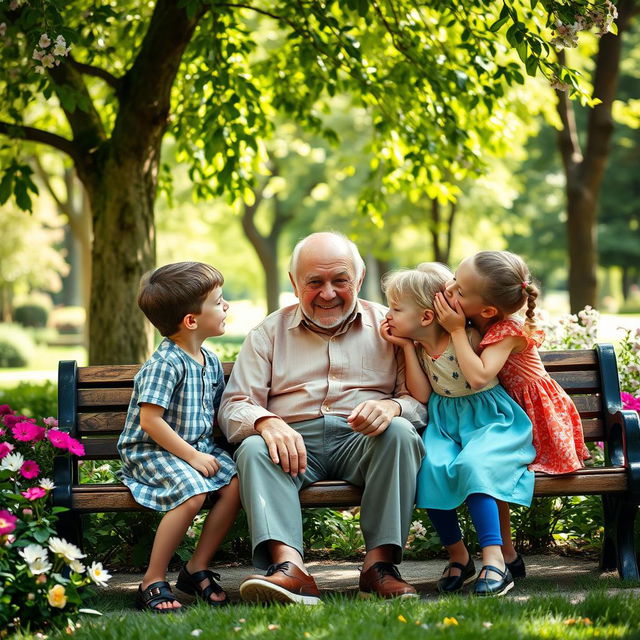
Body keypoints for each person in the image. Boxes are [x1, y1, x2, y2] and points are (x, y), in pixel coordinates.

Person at [218, 232, 426, 604]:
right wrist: (266, 422)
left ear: (358, 281)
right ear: (295, 283)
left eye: (339, 281)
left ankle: (379, 569)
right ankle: (290, 570)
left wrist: (393, 407)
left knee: (400, 432)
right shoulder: (268, 333)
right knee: (253, 448)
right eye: (315, 282)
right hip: (293, 446)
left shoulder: (391, 327)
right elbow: (235, 405)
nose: (328, 293)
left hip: (363, 440)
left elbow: (420, 402)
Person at [433, 250, 590, 580]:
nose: (450, 291)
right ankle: (508, 554)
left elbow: (478, 376)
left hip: (532, 417)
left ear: (488, 309)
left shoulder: (508, 331)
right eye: (454, 281)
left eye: (459, 290)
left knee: (488, 470)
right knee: (487, 473)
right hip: (502, 414)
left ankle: (505, 554)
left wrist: (457, 330)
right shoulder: (482, 317)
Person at [380, 263, 535, 597]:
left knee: (474, 466)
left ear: (425, 317)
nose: (387, 314)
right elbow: (422, 395)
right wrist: (407, 347)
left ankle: (495, 559)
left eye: (394, 308)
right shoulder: (419, 347)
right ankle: (459, 556)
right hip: (446, 423)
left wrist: (455, 331)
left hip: (489, 419)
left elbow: (477, 376)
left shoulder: (470, 335)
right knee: (431, 469)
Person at [118, 262, 240, 613]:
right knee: (192, 493)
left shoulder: (209, 361)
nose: (226, 305)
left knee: (235, 485)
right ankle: (152, 579)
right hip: (151, 451)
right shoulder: (164, 364)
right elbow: (151, 422)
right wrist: (192, 457)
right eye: (219, 301)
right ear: (191, 320)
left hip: (193, 449)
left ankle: (195, 567)